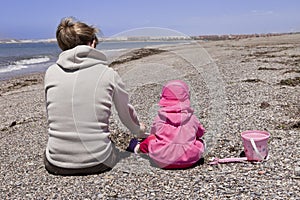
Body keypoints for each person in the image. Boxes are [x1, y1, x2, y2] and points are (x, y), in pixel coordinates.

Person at [44, 17, 145, 175]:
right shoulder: (107, 74)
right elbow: (125, 114)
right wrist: (139, 130)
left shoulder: (51, 73)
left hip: (56, 162)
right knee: (112, 146)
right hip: (97, 161)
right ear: (92, 43)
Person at [127, 80, 205, 169]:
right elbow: (200, 133)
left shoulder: (160, 118)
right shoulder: (192, 118)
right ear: (187, 97)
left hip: (162, 160)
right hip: (189, 160)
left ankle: (137, 148)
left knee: (151, 140)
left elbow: (154, 135)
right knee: (199, 141)